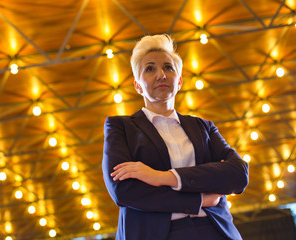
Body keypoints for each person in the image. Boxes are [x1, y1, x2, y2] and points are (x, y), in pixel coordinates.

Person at [102, 34, 249, 240]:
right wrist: (197, 200)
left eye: (168, 67)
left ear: (179, 81)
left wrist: (162, 177)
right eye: (150, 68)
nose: (161, 74)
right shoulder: (120, 127)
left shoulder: (203, 126)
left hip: (214, 230)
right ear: (137, 85)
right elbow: (123, 191)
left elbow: (238, 174)